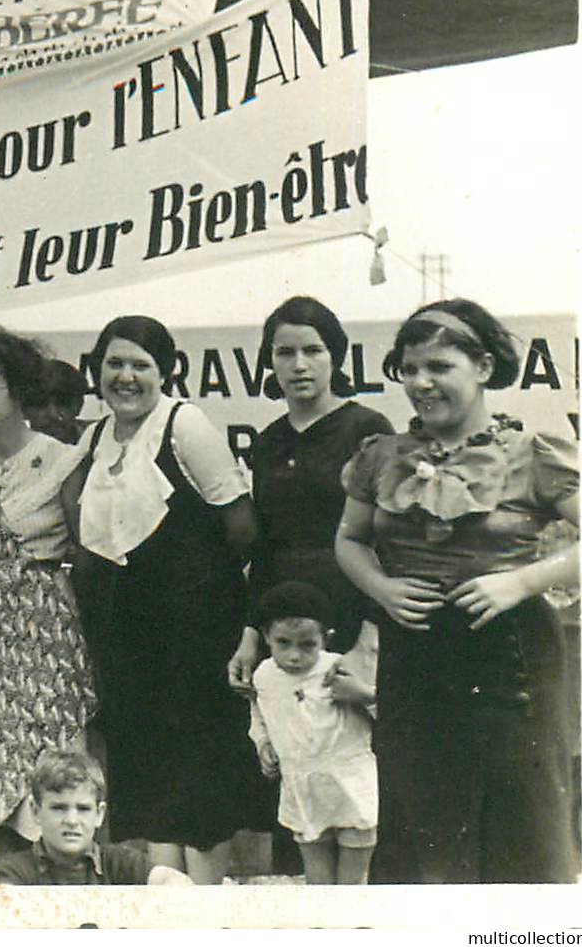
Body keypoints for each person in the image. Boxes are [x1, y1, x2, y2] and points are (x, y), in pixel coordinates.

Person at [335, 299, 580, 883]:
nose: (421, 382)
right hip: (415, 657)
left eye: (440, 366)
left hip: (511, 663)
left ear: (485, 368)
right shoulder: (381, 456)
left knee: (519, 826)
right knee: (421, 826)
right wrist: (382, 588)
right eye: (409, 368)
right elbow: (349, 539)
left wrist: (520, 582)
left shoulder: (532, 454)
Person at [71, 315, 267, 884]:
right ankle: (167, 907)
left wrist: (199, 594)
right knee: (150, 775)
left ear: (167, 371)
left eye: (141, 365)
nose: (125, 377)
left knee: (199, 779)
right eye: (114, 363)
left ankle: (205, 907)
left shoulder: (186, 425)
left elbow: (241, 529)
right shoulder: (96, 436)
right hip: (130, 638)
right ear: (97, 370)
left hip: (194, 633)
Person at [222, 296, 393, 874]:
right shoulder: (269, 440)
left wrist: (370, 639)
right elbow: (264, 547)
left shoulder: (366, 427)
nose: (299, 364)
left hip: (349, 607)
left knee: (356, 770)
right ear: (270, 362)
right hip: (288, 625)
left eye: (313, 350)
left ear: (335, 357)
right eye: (285, 352)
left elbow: (382, 538)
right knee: (299, 766)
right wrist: (252, 634)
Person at [0, 332, 96, 851]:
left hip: (44, 626)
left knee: (49, 749)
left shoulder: (60, 459)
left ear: (18, 390)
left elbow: (85, 543)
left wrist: (45, 588)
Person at [247, 581, 378, 885]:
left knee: (353, 879)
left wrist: (362, 693)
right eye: (284, 643)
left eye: (307, 645)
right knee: (317, 876)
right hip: (302, 784)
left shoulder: (339, 668)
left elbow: (384, 712)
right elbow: (260, 716)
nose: (295, 656)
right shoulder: (264, 676)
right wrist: (264, 744)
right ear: (267, 637)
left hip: (348, 781)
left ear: (325, 638)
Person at [0, 750, 192, 886]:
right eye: (59, 808)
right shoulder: (17, 870)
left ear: (99, 814)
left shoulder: (120, 863)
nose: (71, 820)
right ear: (35, 811)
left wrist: (172, 885)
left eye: (83, 809)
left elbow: (171, 881)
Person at [27, 357, 90, 445]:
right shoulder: (10, 453)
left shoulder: (102, 440)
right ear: (24, 410)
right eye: (41, 404)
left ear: (79, 405)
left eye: (64, 402)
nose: (53, 414)